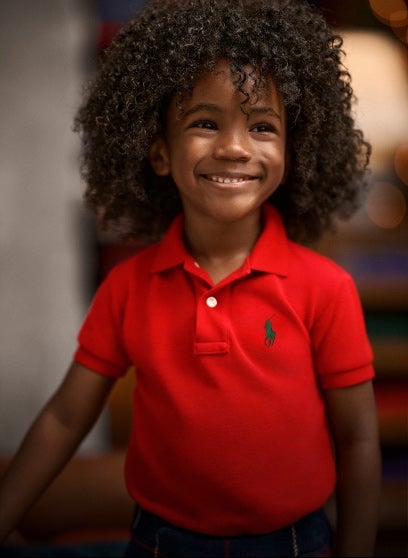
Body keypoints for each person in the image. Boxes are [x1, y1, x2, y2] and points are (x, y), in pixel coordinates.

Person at [0, 0, 381, 556]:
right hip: (159, 544)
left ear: (293, 153)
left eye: (262, 127)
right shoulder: (129, 288)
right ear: (158, 152)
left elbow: (358, 438)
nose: (233, 146)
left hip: (294, 545)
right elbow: (63, 418)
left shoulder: (325, 289)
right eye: (205, 122)